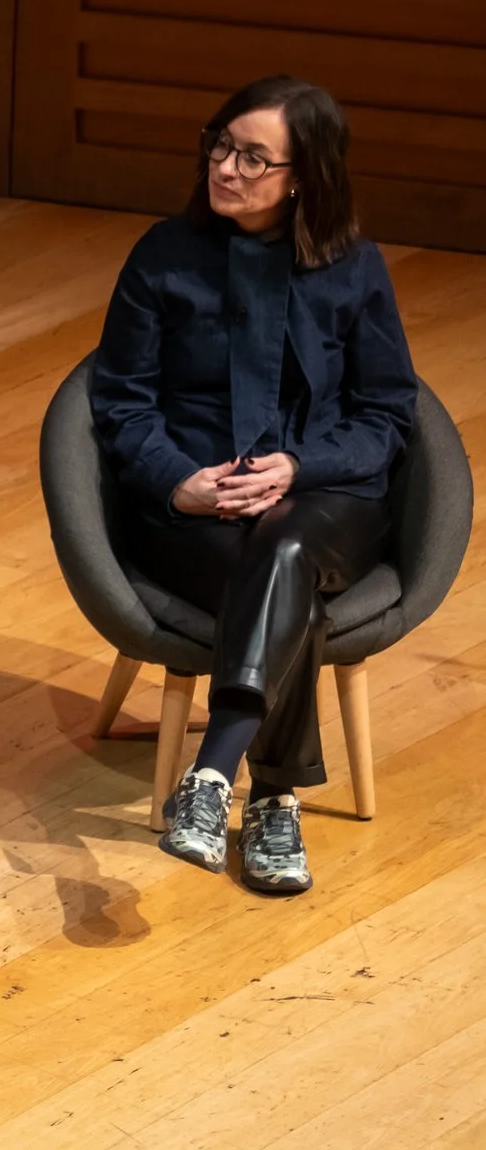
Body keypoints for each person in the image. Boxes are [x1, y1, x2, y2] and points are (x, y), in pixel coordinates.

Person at [91, 77, 416, 894]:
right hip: (195, 507)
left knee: (289, 542)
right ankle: (272, 796)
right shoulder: (164, 255)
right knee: (279, 576)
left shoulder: (354, 269)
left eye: (253, 158)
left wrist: (300, 466)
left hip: (328, 497)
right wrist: (179, 484)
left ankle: (209, 774)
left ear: (302, 175)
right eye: (220, 145)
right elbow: (119, 403)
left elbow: (387, 413)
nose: (226, 168)